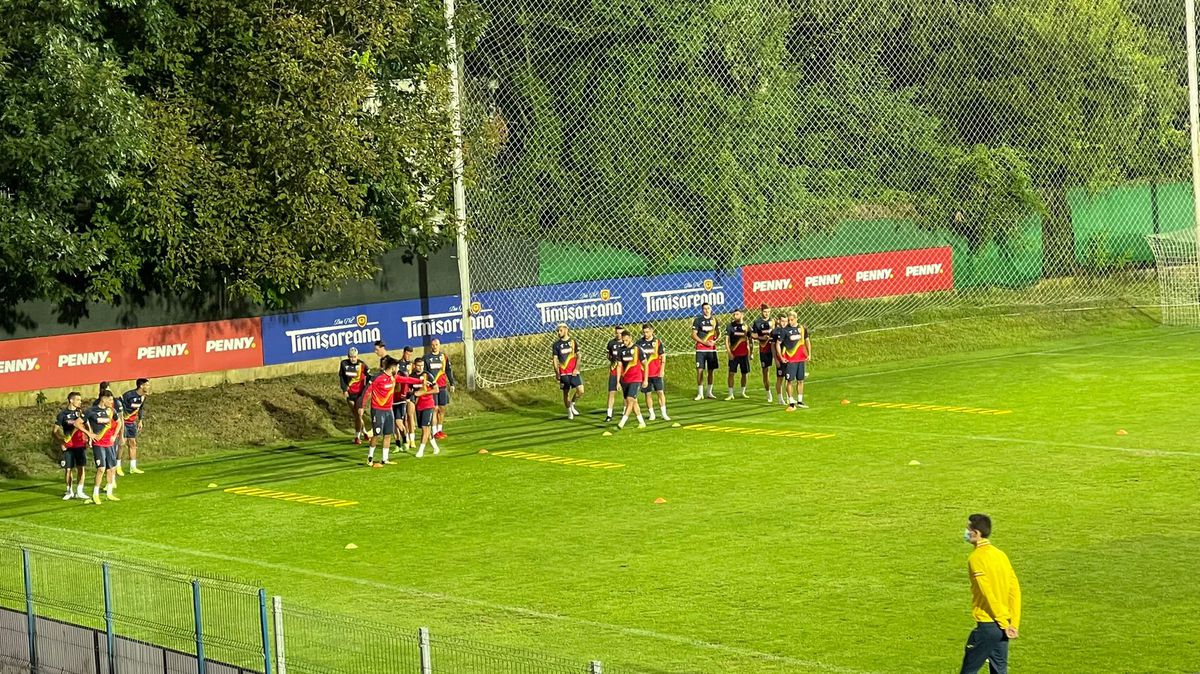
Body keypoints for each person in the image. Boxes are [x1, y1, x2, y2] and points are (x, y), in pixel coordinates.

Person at [960, 513, 1021, 674]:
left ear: (977, 533)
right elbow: (1014, 590)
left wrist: (1003, 622)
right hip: (1003, 626)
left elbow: (987, 593)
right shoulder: (1001, 555)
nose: (966, 532)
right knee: (999, 670)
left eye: (968, 529)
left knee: (969, 670)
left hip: (989, 625)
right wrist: (1013, 623)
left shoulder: (976, 558)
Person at [53, 392, 93, 500]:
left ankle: (80, 491)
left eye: (80, 400)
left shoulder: (81, 413)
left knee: (81, 468)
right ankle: (69, 490)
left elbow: (88, 426)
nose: (80, 402)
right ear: (71, 400)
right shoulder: (62, 414)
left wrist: (89, 438)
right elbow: (55, 431)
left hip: (80, 444)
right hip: (69, 445)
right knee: (68, 469)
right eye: (78, 400)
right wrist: (61, 441)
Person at [84, 390, 122, 504]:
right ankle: (95, 494)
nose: (111, 402)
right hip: (98, 444)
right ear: (103, 399)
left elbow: (119, 422)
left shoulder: (111, 411)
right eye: (109, 400)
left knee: (111, 469)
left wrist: (115, 435)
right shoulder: (91, 411)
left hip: (109, 444)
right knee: (101, 469)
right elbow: (78, 423)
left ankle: (109, 494)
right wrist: (89, 434)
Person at [775, 311, 811, 411]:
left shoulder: (802, 329)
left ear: (796, 319)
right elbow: (777, 344)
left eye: (791, 320)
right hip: (790, 360)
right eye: (788, 320)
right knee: (789, 381)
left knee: (801, 380)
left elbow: (807, 341)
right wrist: (781, 357)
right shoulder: (784, 331)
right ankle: (791, 402)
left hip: (801, 358)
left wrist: (809, 353)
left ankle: (800, 401)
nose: (789, 322)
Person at [423, 338, 454, 440]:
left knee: (442, 409)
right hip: (433, 387)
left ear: (439, 345)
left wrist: (452, 383)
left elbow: (448, 370)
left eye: (436, 344)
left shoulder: (444, 357)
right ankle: (434, 431)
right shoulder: (426, 358)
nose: (434, 346)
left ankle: (440, 430)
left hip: (442, 387)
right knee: (434, 409)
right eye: (433, 345)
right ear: (431, 346)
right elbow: (425, 373)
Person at [636, 323, 669, 421]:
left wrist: (662, 369)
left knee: (660, 392)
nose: (645, 334)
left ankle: (664, 413)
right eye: (644, 332)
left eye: (647, 332)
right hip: (645, 374)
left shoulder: (657, 342)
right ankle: (652, 414)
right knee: (648, 394)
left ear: (652, 331)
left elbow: (662, 356)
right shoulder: (639, 343)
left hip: (656, 372)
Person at [615, 330, 647, 429]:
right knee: (633, 402)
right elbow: (619, 366)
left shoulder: (637, 349)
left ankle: (622, 423)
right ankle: (642, 422)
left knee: (630, 400)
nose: (624, 342)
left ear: (630, 338)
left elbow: (645, 364)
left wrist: (645, 379)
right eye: (623, 341)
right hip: (625, 380)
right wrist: (617, 382)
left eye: (626, 340)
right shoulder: (621, 351)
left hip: (636, 379)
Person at [551, 324, 584, 419]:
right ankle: (569, 412)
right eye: (557, 331)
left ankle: (572, 404)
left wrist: (576, 368)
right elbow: (555, 359)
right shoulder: (556, 345)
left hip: (574, 372)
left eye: (560, 330)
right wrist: (557, 373)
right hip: (564, 373)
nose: (558, 333)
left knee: (581, 391)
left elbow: (579, 356)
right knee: (566, 393)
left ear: (566, 330)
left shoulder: (573, 342)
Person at [411, 358, 441, 458]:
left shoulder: (428, 375)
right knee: (425, 429)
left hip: (428, 404)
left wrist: (423, 393)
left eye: (422, 365)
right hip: (418, 405)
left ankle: (421, 451)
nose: (421, 367)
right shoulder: (411, 377)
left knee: (425, 428)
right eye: (418, 365)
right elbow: (411, 390)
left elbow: (436, 390)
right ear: (414, 365)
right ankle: (435, 447)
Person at [119, 379, 150, 473]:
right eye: (147, 385)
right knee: (121, 444)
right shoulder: (128, 395)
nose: (148, 387)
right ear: (141, 386)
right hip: (124, 422)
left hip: (132, 423)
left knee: (133, 443)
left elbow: (140, 408)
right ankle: (117, 466)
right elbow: (119, 406)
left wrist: (140, 420)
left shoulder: (143, 397)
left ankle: (133, 467)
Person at [692, 303, 719, 400]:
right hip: (700, 349)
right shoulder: (698, 320)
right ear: (702, 310)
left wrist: (714, 341)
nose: (706, 310)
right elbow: (693, 335)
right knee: (700, 371)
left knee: (711, 371)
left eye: (708, 308)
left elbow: (718, 333)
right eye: (704, 308)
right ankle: (700, 393)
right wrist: (704, 342)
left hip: (711, 350)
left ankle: (709, 392)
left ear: (711, 309)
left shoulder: (714, 320)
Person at [98, 382, 126, 476]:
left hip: (113, 433)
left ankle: (114, 473)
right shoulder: (96, 404)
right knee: (105, 458)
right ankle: (109, 477)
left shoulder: (116, 403)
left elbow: (121, 419)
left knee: (112, 455)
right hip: (103, 434)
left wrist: (121, 435)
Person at [725, 308, 751, 400]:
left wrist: (751, 353)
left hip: (744, 354)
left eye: (737, 314)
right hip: (734, 354)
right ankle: (730, 394)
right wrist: (729, 353)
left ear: (742, 315)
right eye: (734, 314)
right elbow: (727, 341)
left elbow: (750, 340)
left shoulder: (746, 326)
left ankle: (743, 392)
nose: (735, 316)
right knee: (731, 373)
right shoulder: (730, 326)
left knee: (745, 373)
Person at [751, 304, 775, 401]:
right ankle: (768, 392)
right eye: (765, 312)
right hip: (764, 349)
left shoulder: (773, 321)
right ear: (761, 311)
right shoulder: (757, 322)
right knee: (766, 371)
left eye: (768, 312)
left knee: (781, 368)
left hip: (774, 347)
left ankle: (782, 392)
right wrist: (761, 338)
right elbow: (752, 335)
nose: (767, 314)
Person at [393, 346, 416, 448]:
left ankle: (412, 439)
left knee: (410, 415)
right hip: (400, 395)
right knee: (403, 419)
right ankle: (404, 438)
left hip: (409, 393)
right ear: (403, 353)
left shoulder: (411, 365)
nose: (408, 356)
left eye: (410, 355)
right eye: (407, 354)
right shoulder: (398, 365)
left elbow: (413, 378)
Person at [604, 325, 624, 422]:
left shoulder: (626, 343)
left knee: (626, 393)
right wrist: (612, 360)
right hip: (614, 370)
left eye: (621, 333)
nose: (619, 335)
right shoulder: (611, 343)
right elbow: (608, 354)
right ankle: (609, 414)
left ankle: (625, 411)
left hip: (625, 371)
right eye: (617, 333)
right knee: (611, 392)